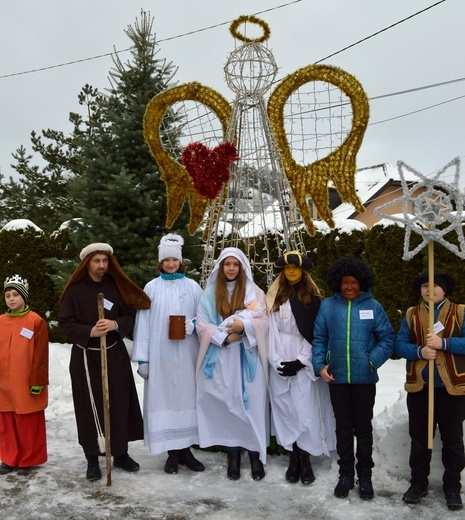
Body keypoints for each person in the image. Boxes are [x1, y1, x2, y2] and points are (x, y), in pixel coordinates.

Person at [59, 242, 151, 481]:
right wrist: (90, 331)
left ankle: (120, 453)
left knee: (118, 402)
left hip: (114, 354)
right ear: (87, 263)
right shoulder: (75, 291)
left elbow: (131, 315)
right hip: (85, 356)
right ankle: (92, 458)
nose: (101, 265)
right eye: (96, 261)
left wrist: (114, 324)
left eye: (105, 261)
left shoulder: (116, 287)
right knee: (88, 406)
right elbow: (65, 322)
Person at [312, 255, 395, 500]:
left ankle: (365, 476)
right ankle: (345, 475)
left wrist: (371, 361)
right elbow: (319, 338)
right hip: (336, 378)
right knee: (343, 428)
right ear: (338, 283)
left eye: (354, 282)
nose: (349, 287)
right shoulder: (327, 306)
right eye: (345, 282)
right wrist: (320, 365)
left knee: (364, 428)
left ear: (362, 283)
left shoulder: (373, 307)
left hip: (364, 380)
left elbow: (387, 338)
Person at [132, 234, 205, 474]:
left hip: (187, 355)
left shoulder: (193, 287)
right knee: (164, 399)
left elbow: (205, 316)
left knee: (186, 398)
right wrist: (143, 357)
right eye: (167, 260)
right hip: (161, 356)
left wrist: (193, 325)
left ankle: (185, 451)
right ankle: (172, 454)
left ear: (180, 261)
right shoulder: (151, 288)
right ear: (160, 263)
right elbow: (142, 322)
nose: (171, 264)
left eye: (174, 260)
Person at [395, 267, 465, 511]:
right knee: (419, 439)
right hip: (420, 389)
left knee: (453, 440)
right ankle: (418, 484)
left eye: (434, 285)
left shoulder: (460, 312)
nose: (429, 289)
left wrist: (444, 343)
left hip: (451, 391)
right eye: (425, 286)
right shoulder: (412, 314)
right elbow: (399, 344)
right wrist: (420, 351)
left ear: (443, 289)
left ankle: (452, 487)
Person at [196, 247, 269, 480]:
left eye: (235, 264)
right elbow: (202, 325)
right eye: (227, 264)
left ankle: (256, 455)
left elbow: (265, 321)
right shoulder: (209, 293)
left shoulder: (254, 291)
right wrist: (226, 337)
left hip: (247, 357)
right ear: (220, 266)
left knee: (252, 405)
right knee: (229, 405)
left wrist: (244, 328)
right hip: (221, 356)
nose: (231, 268)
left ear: (242, 267)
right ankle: (233, 455)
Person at [266, 251, 336, 485]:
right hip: (279, 355)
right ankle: (293, 456)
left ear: (303, 271)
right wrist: (276, 360)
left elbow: (318, 334)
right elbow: (270, 331)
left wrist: (302, 361)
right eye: (287, 268)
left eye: (296, 268)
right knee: (285, 409)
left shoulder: (312, 299)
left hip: (303, 359)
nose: (292, 271)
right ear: (283, 272)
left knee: (303, 408)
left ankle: (304, 458)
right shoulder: (275, 298)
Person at [0, 275, 49, 475]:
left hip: (25, 381)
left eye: (16, 295)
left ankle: (28, 459)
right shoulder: (1, 321)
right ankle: (10, 458)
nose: (11, 299)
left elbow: (41, 355)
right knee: (7, 422)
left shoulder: (36, 321)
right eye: (7, 295)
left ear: (24, 297)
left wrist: (37, 380)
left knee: (27, 422)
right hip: (3, 382)